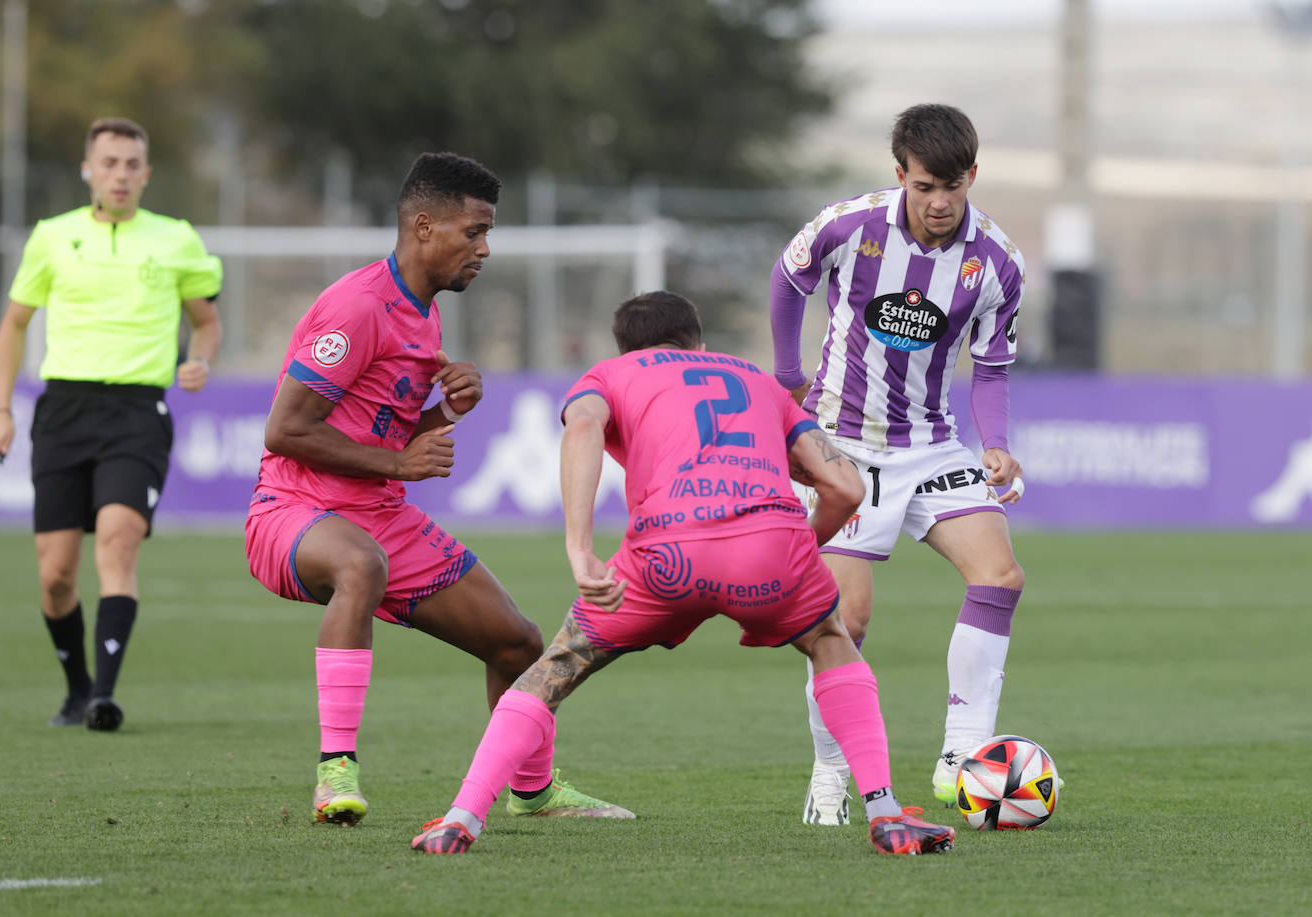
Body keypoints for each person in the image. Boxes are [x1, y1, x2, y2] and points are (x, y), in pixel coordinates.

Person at [410, 291, 956, 856]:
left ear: (626, 347)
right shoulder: (758, 381)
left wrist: (579, 550)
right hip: (772, 546)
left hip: (666, 555)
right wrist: (795, 551)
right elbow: (845, 487)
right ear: (698, 342)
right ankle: (887, 814)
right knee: (830, 640)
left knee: (560, 664)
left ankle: (461, 818)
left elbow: (582, 430)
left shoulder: (610, 374)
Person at [246, 151, 625, 827]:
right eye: (473, 231)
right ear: (424, 226)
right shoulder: (358, 307)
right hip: (296, 508)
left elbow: (388, 430)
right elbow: (284, 430)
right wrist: (398, 466)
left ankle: (533, 790)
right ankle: (336, 770)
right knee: (360, 564)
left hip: (379, 513)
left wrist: (450, 410)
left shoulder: (422, 311)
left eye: (487, 232)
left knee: (518, 642)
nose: (484, 248)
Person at [769, 102, 1027, 821]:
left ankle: (963, 755)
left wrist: (995, 442)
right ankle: (830, 773)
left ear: (973, 175)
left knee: (1000, 575)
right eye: (925, 186)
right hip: (843, 445)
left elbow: (995, 365)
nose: (940, 202)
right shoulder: (850, 226)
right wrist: (788, 373)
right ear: (900, 176)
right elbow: (787, 279)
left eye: (953, 185)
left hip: (933, 442)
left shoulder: (997, 263)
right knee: (843, 621)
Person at [0, 116, 223, 732]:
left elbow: (206, 320)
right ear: (88, 169)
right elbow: (13, 324)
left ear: (146, 174)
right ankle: (77, 688)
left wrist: (200, 360)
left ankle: (104, 700)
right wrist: (2, 410)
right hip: (63, 411)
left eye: (131, 165)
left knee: (118, 547)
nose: (120, 175)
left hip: (137, 414)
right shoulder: (52, 237)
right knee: (55, 574)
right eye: (109, 163)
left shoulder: (175, 239)